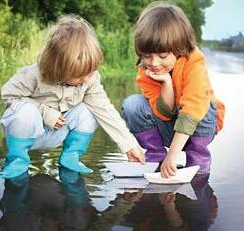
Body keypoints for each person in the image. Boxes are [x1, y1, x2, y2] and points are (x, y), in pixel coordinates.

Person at [0, 15, 144, 179]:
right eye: (79, 75)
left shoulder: (89, 79)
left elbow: (105, 110)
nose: (85, 79)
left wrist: (129, 145)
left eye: (89, 73)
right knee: (23, 112)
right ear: (57, 67)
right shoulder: (33, 75)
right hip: (26, 134)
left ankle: (71, 156)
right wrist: (44, 111)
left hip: (57, 134)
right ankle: (17, 161)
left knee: (92, 109)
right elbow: (8, 94)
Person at [121, 1, 225, 178]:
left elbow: (192, 111)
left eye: (162, 56)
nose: (154, 63)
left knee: (204, 105)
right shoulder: (145, 72)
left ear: (179, 49)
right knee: (132, 104)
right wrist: (167, 84)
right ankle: (156, 157)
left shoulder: (194, 62)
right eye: (147, 56)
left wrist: (173, 155)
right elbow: (164, 115)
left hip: (199, 126)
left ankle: (198, 162)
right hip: (170, 126)